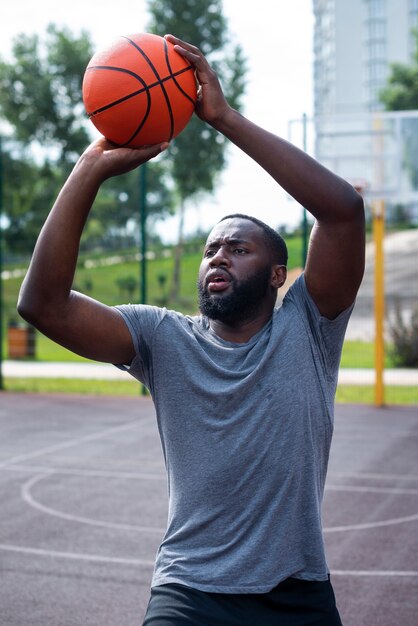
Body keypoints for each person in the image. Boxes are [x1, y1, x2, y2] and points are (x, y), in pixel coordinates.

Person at [18, 35, 365, 626]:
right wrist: (90, 168)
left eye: (238, 247)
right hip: (190, 593)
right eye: (210, 248)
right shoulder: (162, 339)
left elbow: (342, 211)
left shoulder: (309, 328)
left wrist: (223, 118)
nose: (218, 257)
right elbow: (43, 304)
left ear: (280, 274)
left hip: (298, 592)